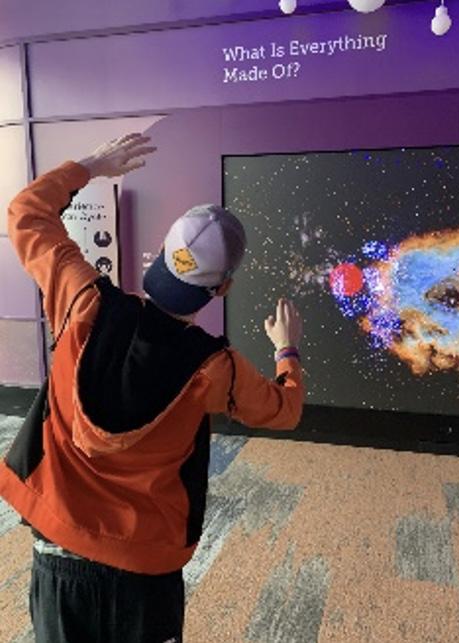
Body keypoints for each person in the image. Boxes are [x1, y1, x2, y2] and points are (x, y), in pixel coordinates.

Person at [0, 133, 304, 643]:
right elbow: (285, 409)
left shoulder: (82, 301)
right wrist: (286, 351)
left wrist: (93, 164)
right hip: (144, 576)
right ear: (222, 287)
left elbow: (26, 212)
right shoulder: (215, 367)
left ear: (161, 252)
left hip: (57, 557)